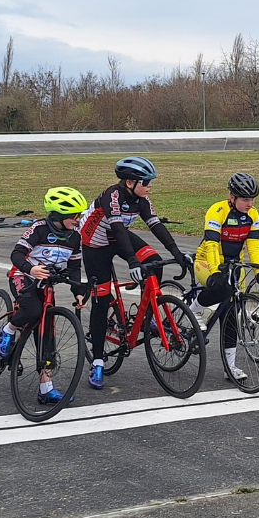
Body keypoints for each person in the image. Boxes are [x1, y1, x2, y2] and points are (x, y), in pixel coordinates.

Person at [80, 156, 190, 390]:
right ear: (130, 182)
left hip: (118, 237)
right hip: (95, 245)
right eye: (146, 181)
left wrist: (176, 252)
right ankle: (98, 360)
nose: (150, 185)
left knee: (154, 262)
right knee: (100, 300)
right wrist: (131, 261)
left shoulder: (142, 199)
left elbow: (156, 225)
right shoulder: (112, 197)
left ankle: (145, 316)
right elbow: (118, 230)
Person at [0, 187, 91, 404]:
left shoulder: (75, 238)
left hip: (47, 285)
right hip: (24, 276)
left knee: (47, 335)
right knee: (33, 310)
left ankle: (46, 389)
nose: (79, 220)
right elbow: (16, 254)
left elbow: (74, 267)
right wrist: (31, 269)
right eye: (75, 216)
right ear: (59, 216)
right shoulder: (38, 228)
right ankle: (8, 331)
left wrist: (78, 293)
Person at [193, 173, 259, 381]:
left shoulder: (253, 214)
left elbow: (254, 246)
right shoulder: (217, 211)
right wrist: (215, 272)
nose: (250, 203)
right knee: (220, 288)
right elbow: (211, 244)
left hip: (235, 266)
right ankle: (194, 310)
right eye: (245, 199)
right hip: (206, 261)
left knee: (231, 316)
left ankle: (230, 367)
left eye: (253, 199)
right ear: (232, 197)